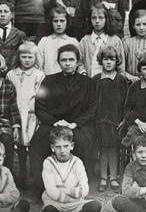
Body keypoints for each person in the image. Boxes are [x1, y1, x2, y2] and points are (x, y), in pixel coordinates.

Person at [30, 44, 97, 198]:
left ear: (78, 61)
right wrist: (55, 123)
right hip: (53, 123)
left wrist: (74, 124)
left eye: (71, 59)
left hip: (77, 124)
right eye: (64, 60)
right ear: (58, 62)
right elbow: (39, 106)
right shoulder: (49, 81)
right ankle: (43, 186)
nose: (67, 63)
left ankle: (78, 186)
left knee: (84, 142)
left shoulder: (87, 82)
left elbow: (92, 108)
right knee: (39, 142)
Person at [39, 127, 105, 212]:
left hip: (76, 203)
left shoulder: (77, 162)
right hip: (56, 203)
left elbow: (84, 190)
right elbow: (51, 191)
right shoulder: (48, 163)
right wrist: (72, 194)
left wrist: (64, 190)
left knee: (95, 205)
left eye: (66, 146)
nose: (62, 151)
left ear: (72, 146)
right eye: (58, 147)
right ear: (52, 148)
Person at [6, 42, 45, 187]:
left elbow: (41, 96)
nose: (27, 60)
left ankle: (33, 174)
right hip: (16, 114)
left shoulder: (39, 74)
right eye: (24, 56)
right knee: (20, 145)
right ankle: (22, 173)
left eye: (30, 56)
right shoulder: (11, 74)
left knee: (32, 145)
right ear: (19, 57)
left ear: (35, 58)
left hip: (32, 114)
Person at [92, 46, 128, 192]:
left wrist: (124, 119)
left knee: (113, 148)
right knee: (102, 148)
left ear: (116, 61)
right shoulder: (95, 80)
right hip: (99, 119)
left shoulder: (121, 80)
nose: (108, 62)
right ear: (101, 60)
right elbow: (91, 101)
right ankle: (103, 177)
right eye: (105, 59)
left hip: (115, 119)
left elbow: (126, 102)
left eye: (111, 59)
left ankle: (113, 176)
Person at [79, 2, 125, 77]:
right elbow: (79, 62)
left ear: (107, 19)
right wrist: (83, 74)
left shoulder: (115, 40)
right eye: (94, 18)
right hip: (89, 83)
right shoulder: (85, 41)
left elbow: (121, 67)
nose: (97, 21)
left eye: (101, 17)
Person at [0, 0, 28, 72]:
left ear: (12, 14)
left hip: (14, 74)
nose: (2, 15)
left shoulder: (20, 34)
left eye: (6, 12)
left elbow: (24, 57)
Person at [38, 6, 82, 76]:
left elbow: (79, 65)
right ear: (51, 22)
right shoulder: (44, 41)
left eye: (62, 21)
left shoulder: (73, 41)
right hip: (49, 81)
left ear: (67, 22)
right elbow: (39, 66)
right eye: (55, 21)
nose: (59, 24)